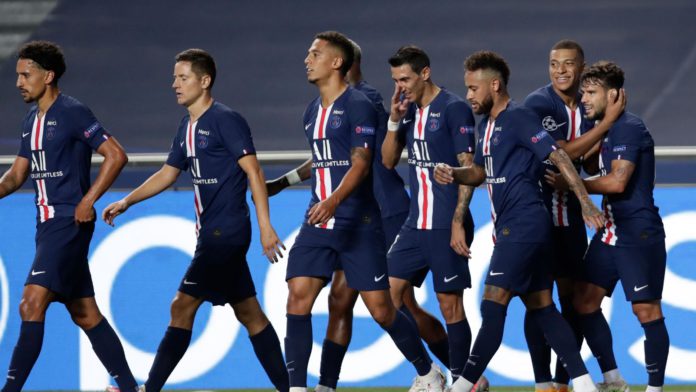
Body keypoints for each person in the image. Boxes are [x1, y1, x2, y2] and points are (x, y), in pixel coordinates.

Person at [267, 39, 451, 392]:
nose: (306, 60)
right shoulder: (311, 112)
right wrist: (286, 181)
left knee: (387, 307)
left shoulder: (363, 103)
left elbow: (364, 161)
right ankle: (303, 387)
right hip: (321, 218)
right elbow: (324, 159)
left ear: (339, 62)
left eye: (314, 54)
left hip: (370, 217)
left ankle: (434, 372)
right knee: (303, 296)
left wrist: (334, 200)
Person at [101, 48, 289, 392]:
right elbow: (168, 173)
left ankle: (149, 389)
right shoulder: (186, 126)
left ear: (205, 81)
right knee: (250, 314)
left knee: (181, 305)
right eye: (174, 77)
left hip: (226, 233)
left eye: (182, 77)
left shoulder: (225, 120)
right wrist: (127, 200)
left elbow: (254, 171)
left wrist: (265, 227)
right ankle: (291, 388)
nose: (174, 84)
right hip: (214, 235)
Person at [434, 50, 603, 392]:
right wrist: (454, 172)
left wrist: (585, 202)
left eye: (473, 88)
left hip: (523, 225)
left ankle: (462, 385)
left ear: (494, 85)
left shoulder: (520, 117)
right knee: (542, 307)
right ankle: (584, 383)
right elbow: (480, 172)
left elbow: (557, 155)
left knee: (492, 302)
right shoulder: (488, 126)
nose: (468, 95)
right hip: (518, 228)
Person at [0, 40, 137, 392]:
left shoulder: (73, 112)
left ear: (48, 76)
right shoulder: (31, 120)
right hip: (46, 226)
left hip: (67, 222)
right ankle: (126, 385)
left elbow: (116, 155)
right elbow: (16, 176)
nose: (18, 82)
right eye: (17, 75)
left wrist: (88, 199)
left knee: (31, 303)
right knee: (84, 313)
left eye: (25, 75)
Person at [546, 61, 669, 392]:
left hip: (637, 232)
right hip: (611, 231)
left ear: (613, 95)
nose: (583, 99)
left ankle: (655, 389)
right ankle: (613, 380)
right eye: (583, 92)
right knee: (583, 302)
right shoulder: (605, 128)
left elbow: (617, 182)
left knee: (645, 309)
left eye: (591, 92)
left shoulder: (630, 128)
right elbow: (581, 160)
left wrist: (571, 186)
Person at [522, 40, 627, 392]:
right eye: (554, 64)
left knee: (572, 302)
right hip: (539, 218)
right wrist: (606, 124)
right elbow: (559, 153)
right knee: (538, 299)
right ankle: (542, 381)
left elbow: (587, 158)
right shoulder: (539, 104)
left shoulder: (586, 106)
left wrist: (601, 130)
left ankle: (562, 380)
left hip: (570, 221)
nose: (560, 71)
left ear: (581, 67)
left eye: (568, 64)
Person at [381, 45, 478, 385]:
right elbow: (389, 161)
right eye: (395, 80)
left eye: (405, 78)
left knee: (449, 304)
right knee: (385, 296)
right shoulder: (406, 111)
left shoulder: (453, 109)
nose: (400, 86)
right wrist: (393, 119)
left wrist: (457, 223)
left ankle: (462, 380)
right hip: (414, 222)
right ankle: (428, 372)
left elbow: (469, 170)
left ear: (425, 73)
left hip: (445, 222)